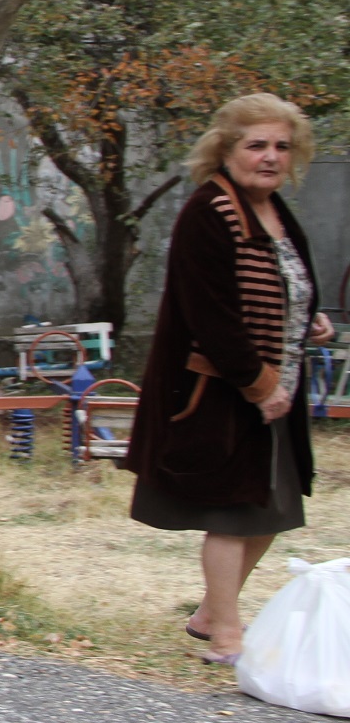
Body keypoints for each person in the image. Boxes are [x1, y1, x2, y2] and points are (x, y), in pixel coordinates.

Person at [121, 94, 330, 665]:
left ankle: (214, 612)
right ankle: (228, 636)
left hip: (277, 385)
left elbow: (288, 281)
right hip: (222, 392)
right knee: (232, 515)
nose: (270, 157)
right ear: (226, 148)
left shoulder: (275, 210)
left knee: (274, 510)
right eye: (256, 145)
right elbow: (209, 312)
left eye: (281, 147)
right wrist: (259, 386)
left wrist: (308, 318)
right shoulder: (209, 211)